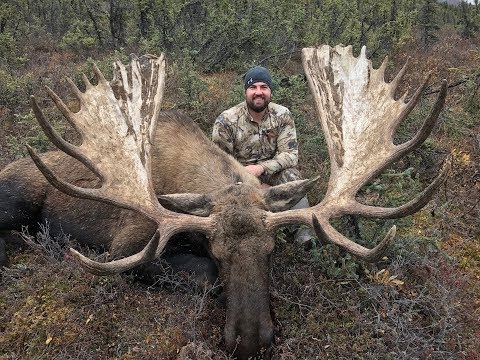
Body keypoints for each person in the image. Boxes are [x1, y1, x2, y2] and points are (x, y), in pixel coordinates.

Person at [212, 65, 315, 245]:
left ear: (270, 91)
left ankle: (304, 235)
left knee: (293, 177)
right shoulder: (226, 120)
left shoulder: (282, 115)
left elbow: (290, 155)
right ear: (245, 91)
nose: (258, 92)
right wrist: (252, 183)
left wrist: (261, 170)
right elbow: (219, 165)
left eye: (263, 87)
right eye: (253, 87)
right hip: (239, 179)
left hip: (271, 174)